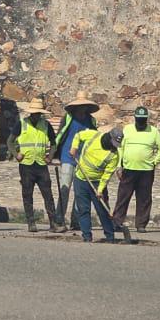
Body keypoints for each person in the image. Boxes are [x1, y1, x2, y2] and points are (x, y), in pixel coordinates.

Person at [113, 105, 160, 234]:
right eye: (139, 119)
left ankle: (141, 224)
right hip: (128, 169)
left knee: (144, 198)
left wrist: (154, 161)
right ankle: (116, 222)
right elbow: (120, 147)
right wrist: (119, 165)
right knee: (123, 197)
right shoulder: (127, 129)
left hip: (146, 170)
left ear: (146, 119)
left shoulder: (153, 131)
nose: (141, 122)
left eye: (143, 120)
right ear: (135, 118)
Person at [10, 99, 62, 233]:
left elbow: (54, 143)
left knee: (48, 194)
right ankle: (31, 222)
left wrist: (50, 156)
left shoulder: (46, 125)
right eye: (34, 113)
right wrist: (16, 154)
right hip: (26, 164)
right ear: (30, 113)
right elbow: (10, 141)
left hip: (40, 164)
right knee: (27, 194)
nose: (36, 115)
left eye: (38, 113)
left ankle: (53, 223)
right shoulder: (22, 124)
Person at [71, 125, 122, 243]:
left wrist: (100, 190)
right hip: (81, 179)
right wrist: (74, 147)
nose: (114, 147)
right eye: (113, 143)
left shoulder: (114, 155)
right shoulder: (93, 135)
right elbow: (78, 136)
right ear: (108, 138)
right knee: (83, 209)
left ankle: (110, 236)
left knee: (103, 210)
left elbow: (107, 175)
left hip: (97, 183)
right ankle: (87, 236)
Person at [56, 92, 99, 230]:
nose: (81, 109)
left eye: (84, 106)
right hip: (68, 156)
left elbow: (94, 138)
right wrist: (53, 152)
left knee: (80, 191)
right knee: (64, 188)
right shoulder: (68, 118)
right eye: (79, 106)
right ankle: (59, 219)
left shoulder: (91, 121)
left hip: (83, 159)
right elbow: (60, 135)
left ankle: (77, 220)